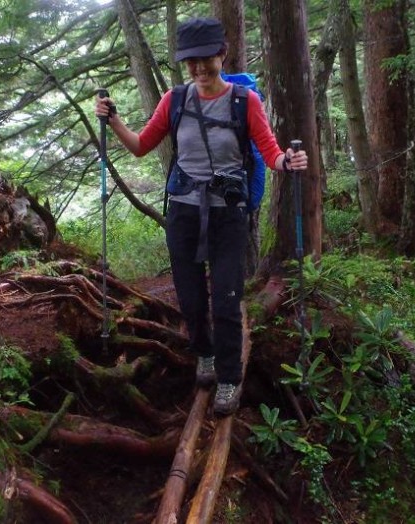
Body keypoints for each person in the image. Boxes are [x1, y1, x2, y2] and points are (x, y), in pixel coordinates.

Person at [95, 17, 308, 416]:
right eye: (189, 61)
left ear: (221, 54)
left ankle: (229, 378)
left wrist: (288, 160)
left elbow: (269, 151)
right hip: (184, 212)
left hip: (228, 214)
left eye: (204, 59)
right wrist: (113, 120)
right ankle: (204, 355)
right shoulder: (174, 100)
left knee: (226, 299)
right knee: (191, 300)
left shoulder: (246, 102)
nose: (197, 68)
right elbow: (141, 146)